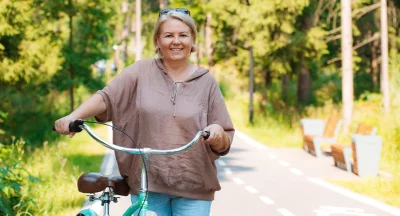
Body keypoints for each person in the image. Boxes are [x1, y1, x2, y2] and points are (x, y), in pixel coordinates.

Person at [54, 7, 234, 216]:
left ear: (193, 40)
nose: (176, 41)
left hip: (194, 187)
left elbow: (224, 138)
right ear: (158, 41)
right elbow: (106, 97)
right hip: (148, 185)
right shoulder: (140, 71)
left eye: (183, 35)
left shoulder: (206, 81)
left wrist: (217, 133)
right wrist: (73, 116)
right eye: (168, 35)